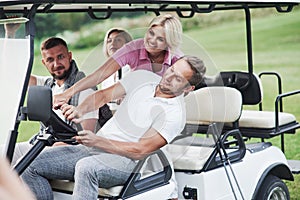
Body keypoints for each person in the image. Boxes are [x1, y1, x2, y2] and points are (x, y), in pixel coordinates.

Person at [21, 55, 206, 200]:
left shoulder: (174, 114)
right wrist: (79, 110)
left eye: (178, 78)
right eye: (172, 70)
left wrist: (98, 141)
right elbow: (102, 96)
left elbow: (139, 151)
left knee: (86, 168)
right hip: (92, 149)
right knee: (30, 164)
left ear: (188, 88)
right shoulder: (142, 78)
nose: (169, 77)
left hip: (126, 162)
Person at [2, 37, 99, 166]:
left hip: (73, 150)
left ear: (69, 56)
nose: (56, 64)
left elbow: (86, 139)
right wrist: (10, 33)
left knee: (25, 163)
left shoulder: (85, 88)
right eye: (50, 60)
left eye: (60, 57)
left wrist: (48, 148)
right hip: (44, 144)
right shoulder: (47, 84)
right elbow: (12, 72)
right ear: (44, 63)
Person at [53, 14, 183, 109]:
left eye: (160, 39)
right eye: (151, 33)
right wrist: (67, 94)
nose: (152, 40)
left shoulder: (177, 59)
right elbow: (99, 75)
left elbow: (179, 91)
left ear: (169, 43)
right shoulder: (133, 48)